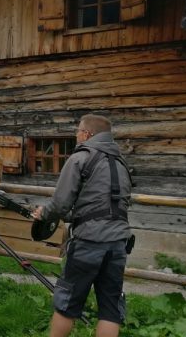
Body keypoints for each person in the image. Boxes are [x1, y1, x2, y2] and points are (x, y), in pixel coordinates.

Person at [32, 114, 133, 337]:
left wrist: (44, 212)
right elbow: (106, 206)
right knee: (110, 308)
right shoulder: (121, 164)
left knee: (66, 303)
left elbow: (60, 203)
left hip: (89, 242)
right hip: (118, 244)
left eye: (78, 131)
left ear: (87, 134)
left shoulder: (81, 158)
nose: (76, 136)